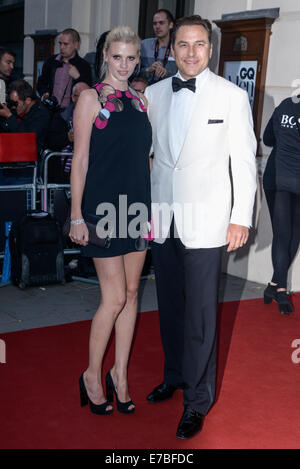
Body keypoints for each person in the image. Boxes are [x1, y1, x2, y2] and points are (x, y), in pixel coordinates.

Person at [145, 15, 257, 439]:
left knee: (200, 316)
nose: (191, 53)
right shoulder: (154, 95)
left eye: (199, 45)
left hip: (209, 220)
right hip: (164, 217)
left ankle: (198, 400)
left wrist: (240, 217)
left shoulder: (231, 96)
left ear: (211, 49)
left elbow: (244, 162)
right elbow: (153, 157)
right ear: (171, 49)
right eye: (183, 45)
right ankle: (174, 375)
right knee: (170, 306)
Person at [69, 26, 152, 415]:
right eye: (117, 57)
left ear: (139, 59)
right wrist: (75, 215)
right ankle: (90, 374)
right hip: (103, 209)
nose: (123, 65)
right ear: (105, 55)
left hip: (136, 208)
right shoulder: (89, 98)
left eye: (130, 58)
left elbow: (147, 160)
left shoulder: (140, 101)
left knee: (133, 295)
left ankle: (119, 375)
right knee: (114, 297)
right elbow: (81, 160)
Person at [263, 95, 300, 315]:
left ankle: (276, 286)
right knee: (293, 234)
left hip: (277, 178)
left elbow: (268, 139)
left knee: (281, 234)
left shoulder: (286, 104)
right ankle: (278, 287)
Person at [37, 28, 92, 110]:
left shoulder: (84, 65)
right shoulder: (51, 61)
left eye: (65, 44)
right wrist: (45, 93)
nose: (61, 47)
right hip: (49, 109)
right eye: (60, 43)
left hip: (70, 112)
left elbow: (88, 91)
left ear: (76, 45)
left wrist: (77, 77)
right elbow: (41, 82)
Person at [140, 9, 177, 84]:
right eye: (154, 23)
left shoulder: (179, 48)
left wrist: (166, 73)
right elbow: (132, 73)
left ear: (171, 25)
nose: (157, 26)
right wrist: (147, 70)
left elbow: (184, 75)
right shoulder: (143, 45)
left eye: (161, 23)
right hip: (146, 91)